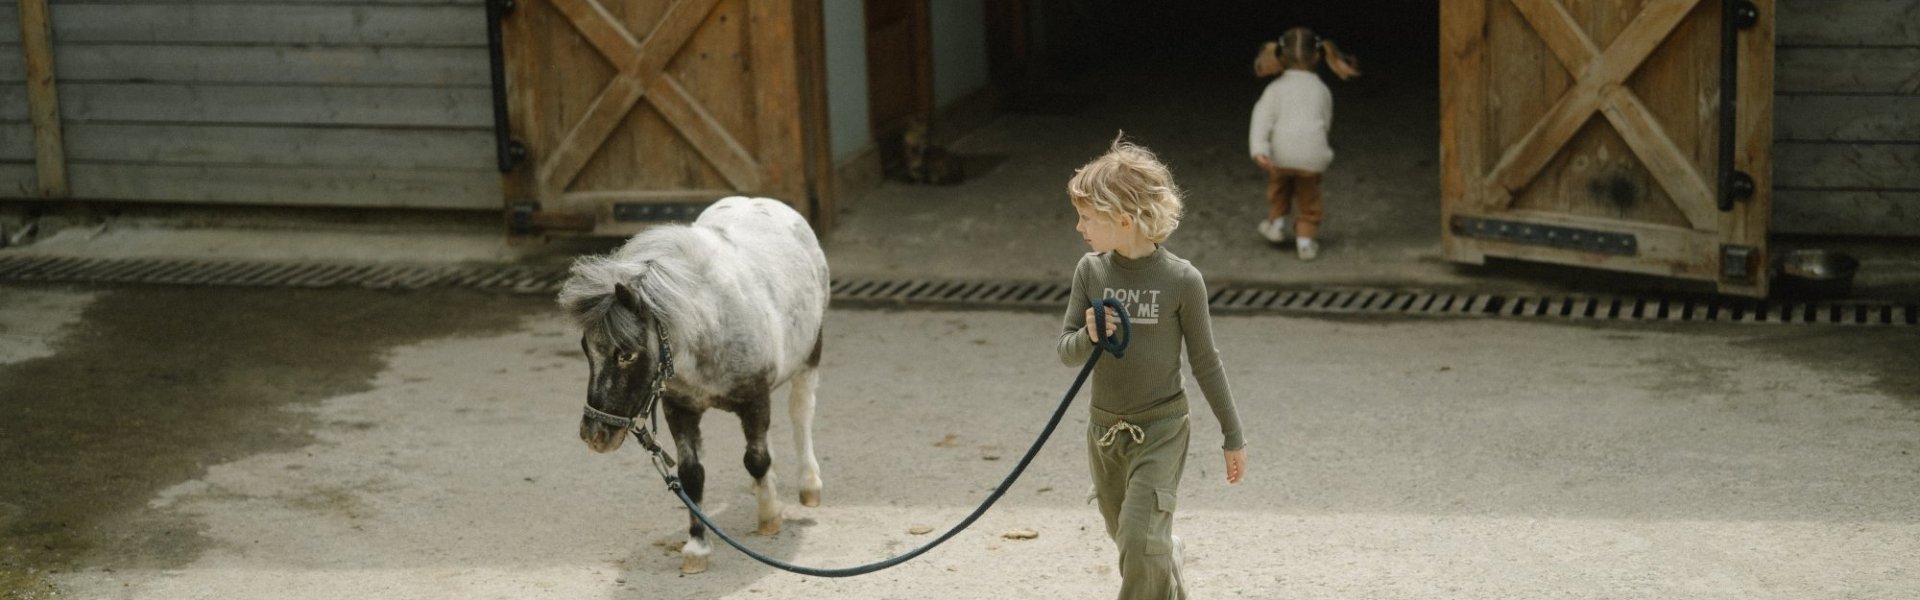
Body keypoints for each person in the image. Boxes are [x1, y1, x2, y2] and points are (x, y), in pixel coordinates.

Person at [1057, 136, 1248, 599]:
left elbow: (1205, 361)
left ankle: (1158, 557)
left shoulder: (1181, 280)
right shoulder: (1090, 271)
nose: (1079, 226)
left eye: (1087, 217)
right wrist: (1089, 335)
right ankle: (1169, 555)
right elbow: (1067, 351)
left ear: (1123, 220)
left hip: (1161, 429)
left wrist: (1232, 435)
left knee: (1140, 542)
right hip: (1105, 431)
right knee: (1129, 537)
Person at [1248, 26, 1361, 260]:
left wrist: (1259, 150)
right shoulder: (1322, 90)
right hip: (1313, 156)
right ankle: (1306, 242)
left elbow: (1261, 120)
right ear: (1318, 56)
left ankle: (1276, 224)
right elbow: (1325, 122)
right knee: (1309, 199)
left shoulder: (1275, 89)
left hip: (1281, 155)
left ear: (1280, 56)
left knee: (1279, 190)